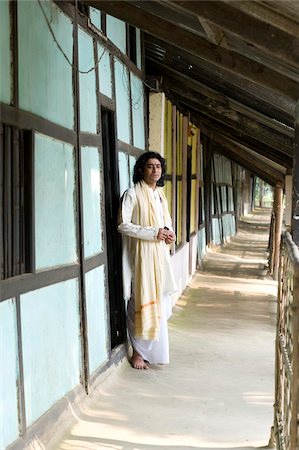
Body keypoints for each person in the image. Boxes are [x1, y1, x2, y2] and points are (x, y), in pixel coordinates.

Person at [118, 151, 177, 370]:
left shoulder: (161, 196)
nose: (155, 170)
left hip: (159, 257)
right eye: (150, 166)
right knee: (138, 302)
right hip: (140, 256)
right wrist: (153, 233)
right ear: (141, 169)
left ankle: (153, 352)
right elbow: (123, 225)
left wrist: (169, 234)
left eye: (158, 166)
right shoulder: (132, 194)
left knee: (158, 304)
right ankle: (138, 352)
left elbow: (167, 223)